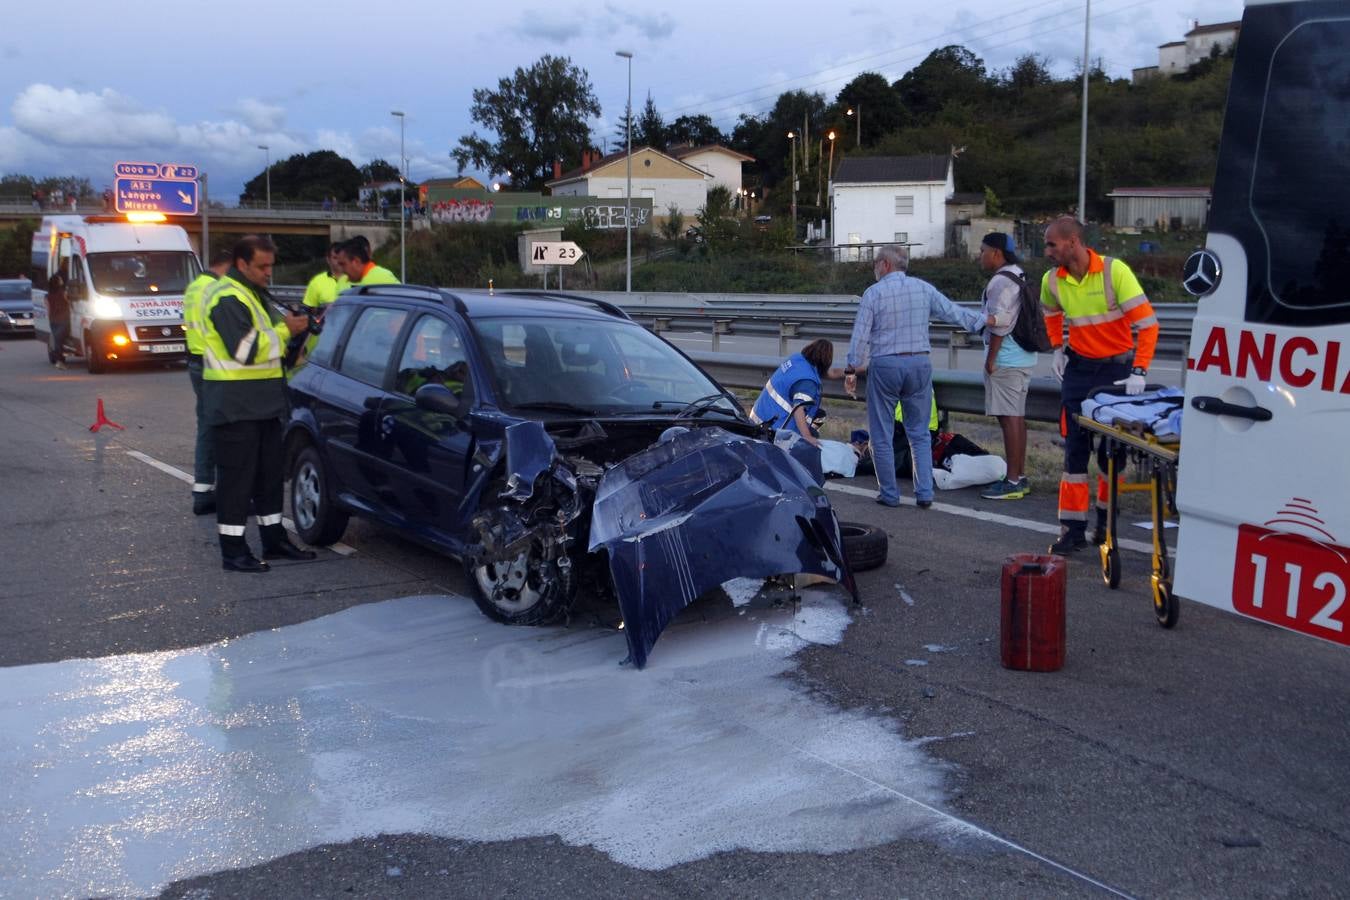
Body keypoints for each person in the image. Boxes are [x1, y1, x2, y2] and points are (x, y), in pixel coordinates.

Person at [1040, 215, 1159, 553]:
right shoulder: (1053, 280)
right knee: (1074, 453)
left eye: (1052, 244)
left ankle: (1105, 526)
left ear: (1073, 242)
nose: (1047, 251)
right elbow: (1050, 312)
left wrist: (1139, 371)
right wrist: (1057, 347)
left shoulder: (1113, 271)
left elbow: (1148, 325)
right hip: (1078, 372)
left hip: (1115, 373)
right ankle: (1072, 530)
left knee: (1111, 454)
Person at [199, 236, 314, 572]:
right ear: (242, 264)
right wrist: (286, 332)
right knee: (237, 482)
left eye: (271, 266)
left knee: (268, 479)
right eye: (262, 267)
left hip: (263, 405)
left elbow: (272, 350)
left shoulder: (254, 295)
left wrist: (294, 334)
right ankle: (233, 551)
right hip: (235, 407)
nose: (268, 273)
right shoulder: (227, 297)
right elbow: (245, 350)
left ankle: (274, 539)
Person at [843, 245, 985, 508]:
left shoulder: (874, 293)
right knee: (919, 433)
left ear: (885, 265)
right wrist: (984, 321)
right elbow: (952, 311)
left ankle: (889, 493)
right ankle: (924, 493)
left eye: (876, 263)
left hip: (885, 365)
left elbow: (860, 336)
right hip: (920, 363)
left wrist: (851, 368)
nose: (874, 268)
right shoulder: (923, 288)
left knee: (881, 432)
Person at [977, 232, 1036, 500]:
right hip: (1022, 356)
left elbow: (1000, 321)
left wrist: (991, 360)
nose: (980, 256)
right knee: (1017, 418)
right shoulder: (1018, 274)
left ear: (996, 253)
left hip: (1006, 358)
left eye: (983, 251)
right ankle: (1019, 475)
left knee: (1009, 419)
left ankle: (1012, 481)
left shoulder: (1001, 281)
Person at [182, 248, 233, 515]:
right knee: (227, 430)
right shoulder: (217, 290)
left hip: (195, 363)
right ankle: (228, 494)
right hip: (214, 365)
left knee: (207, 427)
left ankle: (202, 492)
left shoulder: (194, 287)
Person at [749, 338, 840, 448]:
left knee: (819, 417)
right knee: (811, 435)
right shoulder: (807, 382)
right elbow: (798, 409)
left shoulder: (797, 360)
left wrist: (852, 371)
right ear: (825, 361)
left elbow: (831, 373)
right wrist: (807, 437)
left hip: (759, 418)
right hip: (774, 431)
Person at [301, 242, 349, 311]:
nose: (339, 261)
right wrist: (323, 309)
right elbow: (309, 310)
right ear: (328, 260)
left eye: (342, 257)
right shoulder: (317, 282)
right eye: (335, 258)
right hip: (325, 321)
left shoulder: (357, 280)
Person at [335, 238, 399, 286]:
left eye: (343, 264)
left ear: (356, 261)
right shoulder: (378, 276)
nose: (341, 270)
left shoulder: (381, 280)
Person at [45, 273, 71, 369]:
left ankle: (59, 361)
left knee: (57, 340)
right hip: (63, 319)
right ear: (57, 282)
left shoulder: (47, 295)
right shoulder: (63, 292)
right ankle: (59, 361)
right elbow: (69, 302)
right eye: (60, 279)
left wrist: (50, 320)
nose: (62, 280)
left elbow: (48, 310)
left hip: (53, 320)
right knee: (59, 341)